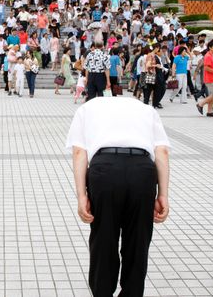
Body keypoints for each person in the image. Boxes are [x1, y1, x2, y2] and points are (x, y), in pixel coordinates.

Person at [67, 97, 170, 297]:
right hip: (142, 171)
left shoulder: (87, 108)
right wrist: (163, 194)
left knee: (103, 239)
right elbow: (162, 151)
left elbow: (80, 152)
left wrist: (81, 195)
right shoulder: (146, 110)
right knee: (138, 243)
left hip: (104, 171)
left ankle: (102, 292)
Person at [196, 40, 213, 117]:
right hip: (209, 78)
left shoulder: (211, 55)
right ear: (210, 47)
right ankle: (200, 104)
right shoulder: (208, 56)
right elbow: (206, 68)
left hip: (212, 78)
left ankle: (209, 111)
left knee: (212, 95)